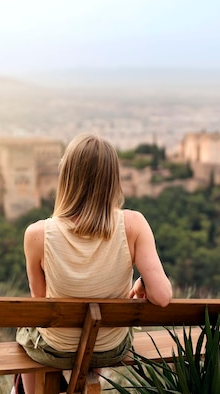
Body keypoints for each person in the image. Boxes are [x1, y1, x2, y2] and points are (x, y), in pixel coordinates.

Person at [15, 133, 173, 393]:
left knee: (25, 334)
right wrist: (143, 282)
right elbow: (163, 296)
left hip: (56, 349)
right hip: (110, 348)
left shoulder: (36, 234)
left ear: (67, 176)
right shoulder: (134, 224)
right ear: (113, 179)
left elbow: (41, 305)